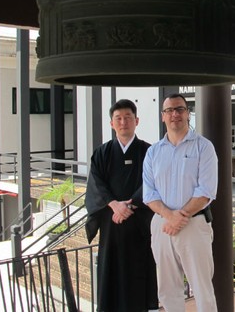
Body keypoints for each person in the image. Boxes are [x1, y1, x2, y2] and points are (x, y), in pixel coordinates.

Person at [143, 93, 218, 312]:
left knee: (202, 288)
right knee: (167, 288)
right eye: (169, 110)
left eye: (180, 109)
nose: (175, 114)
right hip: (162, 226)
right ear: (163, 116)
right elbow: (149, 194)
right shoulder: (153, 152)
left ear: (187, 113)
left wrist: (179, 217)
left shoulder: (204, 147)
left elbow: (206, 192)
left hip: (194, 225)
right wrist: (170, 217)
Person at [84, 99, 159, 312]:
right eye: (118, 118)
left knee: (140, 271)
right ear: (112, 123)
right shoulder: (102, 153)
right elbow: (96, 184)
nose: (123, 122)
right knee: (111, 271)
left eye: (128, 117)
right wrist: (114, 205)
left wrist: (131, 205)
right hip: (111, 223)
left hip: (140, 224)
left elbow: (153, 182)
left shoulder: (149, 151)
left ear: (137, 121)